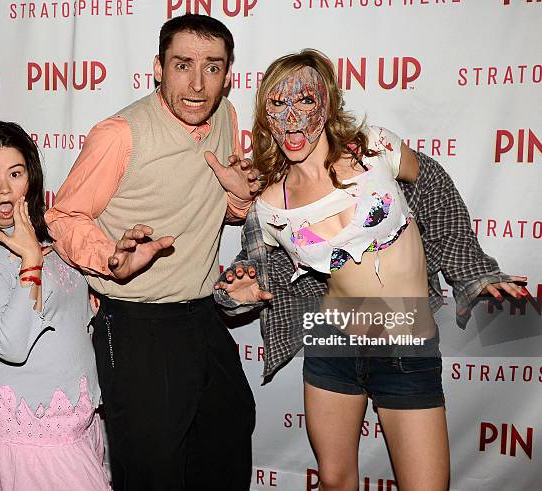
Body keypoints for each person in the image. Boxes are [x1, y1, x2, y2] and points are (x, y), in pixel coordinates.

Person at [214, 50, 526, 491]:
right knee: (336, 481)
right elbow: (248, 277)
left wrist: (472, 268)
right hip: (333, 342)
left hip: (405, 339)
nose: (292, 116)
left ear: (327, 103)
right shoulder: (268, 203)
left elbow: (434, 187)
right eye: (277, 104)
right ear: (265, 114)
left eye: (304, 100)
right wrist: (233, 295)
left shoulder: (373, 147)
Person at [44, 14, 259, 491]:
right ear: (158, 68)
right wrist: (111, 260)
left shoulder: (227, 116)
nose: (198, 85)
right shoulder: (120, 134)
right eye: (183, 65)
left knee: (227, 439)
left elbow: (221, 207)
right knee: (151, 466)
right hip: (138, 326)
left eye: (213, 67)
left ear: (228, 73)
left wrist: (240, 198)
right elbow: (61, 217)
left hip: (203, 317)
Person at [0, 121, 133, 490]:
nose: (2, 189)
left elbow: (69, 316)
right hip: (24, 434)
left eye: (14, 173)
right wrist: (30, 262)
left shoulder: (47, 236)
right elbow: (12, 346)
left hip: (75, 424)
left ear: (30, 177)